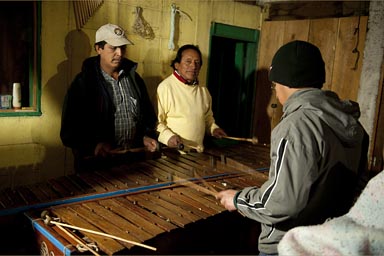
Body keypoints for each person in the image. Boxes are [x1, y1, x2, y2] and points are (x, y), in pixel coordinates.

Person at [216, 40, 368, 255]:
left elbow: (283, 203)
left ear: (283, 82)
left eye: (274, 84)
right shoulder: (353, 123)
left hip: (289, 244)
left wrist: (238, 200)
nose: (275, 91)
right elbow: (359, 186)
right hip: (330, 239)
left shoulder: (296, 125)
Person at [60, 23, 158, 172]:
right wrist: (94, 146)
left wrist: (144, 137)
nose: (119, 53)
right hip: (97, 166)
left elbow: (147, 117)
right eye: (113, 47)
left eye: (123, 48)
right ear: (98, 49)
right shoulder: (83, 83)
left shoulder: (134, 79)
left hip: (132, 163)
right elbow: (69, 131)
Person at [156, 44, 227, 152]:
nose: (193, 66)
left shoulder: (203, 91)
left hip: (197, 153)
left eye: (197, 63)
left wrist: (214, 129)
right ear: (176, 65)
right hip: (173, 154)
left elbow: (207, 119)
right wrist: (168, 137)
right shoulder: (165, 88)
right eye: (188, 62)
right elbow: (156, 122)